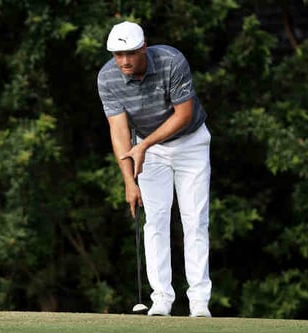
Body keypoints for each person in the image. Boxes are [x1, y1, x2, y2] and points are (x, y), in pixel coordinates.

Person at [96, 21, 212, 317]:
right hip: (147, 151)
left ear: (143, 48)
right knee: (155, 221)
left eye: (130, 53)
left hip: (190, 143)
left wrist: (144, 146)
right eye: (117, 54)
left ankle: (199, 301)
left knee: (194, 220)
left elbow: (184, 115)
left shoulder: (171, 61)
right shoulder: (107, 78)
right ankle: (161, 298)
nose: (124, 61)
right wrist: (128, 182)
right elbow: (119, 131)